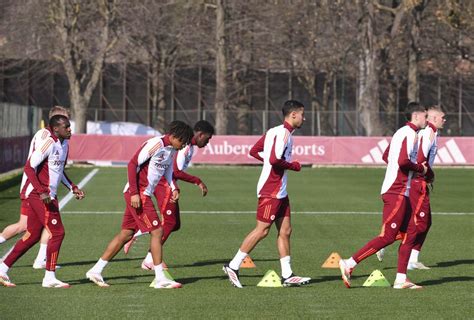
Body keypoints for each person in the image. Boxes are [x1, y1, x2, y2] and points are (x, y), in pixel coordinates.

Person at [86, 121, 193, 289]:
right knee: (157, 231)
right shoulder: (155, 144)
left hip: (143, 193)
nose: (183, 146)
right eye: (183, 142)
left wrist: (174, 187)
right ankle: (159, 278)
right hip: (138, 194)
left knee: (126, 234)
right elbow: (132, 164)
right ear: (173, 137)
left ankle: (96, 270)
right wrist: (135, 193)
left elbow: (168, 171)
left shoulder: (171, 149)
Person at [338, 102, 428, 289]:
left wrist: (406, 173)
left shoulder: (402, 133)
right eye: (425, 116)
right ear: (416, 115)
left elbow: (387, 157)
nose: (426, 119)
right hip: (396, 191)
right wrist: (419, 168)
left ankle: (401, 279)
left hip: (401, 190)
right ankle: (349, 263)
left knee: (411, 231)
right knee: (388, 236)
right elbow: (403, 161)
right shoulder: (409, 134)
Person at [223, 100, 311, 288]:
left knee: (286, 231)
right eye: (302, 114)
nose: (305, 117)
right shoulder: (285, 134)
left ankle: (287, 275)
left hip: (280, 191)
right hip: (271, 190)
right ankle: (233, 265)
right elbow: (274, 159)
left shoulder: (273, 131)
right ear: (293, 115)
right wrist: (293, 166)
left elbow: (255, 151)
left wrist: (269, 163)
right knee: (262, 230)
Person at [0, 115, 85, 288]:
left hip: (46, 195)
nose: (70, 129)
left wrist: (72, 187)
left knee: (32, 235)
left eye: (69, 126)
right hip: (39, 196)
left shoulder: (65, 144)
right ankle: (49, 277)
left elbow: (59, 171)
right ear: (55, 129)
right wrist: (41, 192)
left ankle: (2, 268)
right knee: (58, 232)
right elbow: (29, 167)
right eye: (66, 127)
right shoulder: (48, 142)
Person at [126, 120, 215, 270]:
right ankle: (149, 259)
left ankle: (139, 232)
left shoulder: (188, 146)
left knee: (175, 224)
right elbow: (176, 171)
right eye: (208, 138)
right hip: (162, 184)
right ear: (200, 135)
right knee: (169, 222)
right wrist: (197, 181)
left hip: (167, 184)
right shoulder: (183, 146)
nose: (207, 142)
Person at [376, 106, 446, 270]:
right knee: (419, 224)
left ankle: (407, 256)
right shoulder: (426, 133)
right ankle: (391, 247)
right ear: (433, 118)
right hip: (416, 183)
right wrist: (423, 174)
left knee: (423, 222)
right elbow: (421, 158)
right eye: (443, 117)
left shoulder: (423, 133)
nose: (445, 120)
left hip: (414, 181)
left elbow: (387, 156)